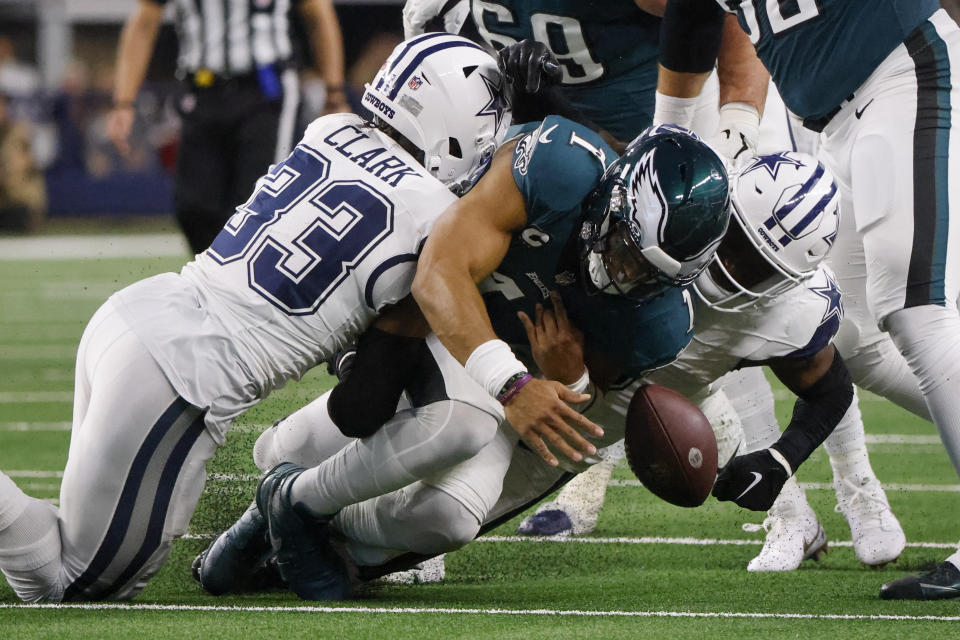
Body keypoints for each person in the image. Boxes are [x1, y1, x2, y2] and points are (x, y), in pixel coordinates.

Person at [0, 35, 531, 603]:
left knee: (74, 546)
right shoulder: (439, 225)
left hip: (137, 315)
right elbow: (361, 409)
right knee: (78, 585)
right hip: (181, 376)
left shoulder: (331, 129)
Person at [195, 122, 733, 600]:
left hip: (506, 373)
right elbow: (439, 271)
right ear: (615, 198)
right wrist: (513, 385)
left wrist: (571, 377)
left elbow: (579, 408)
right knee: (458, 422)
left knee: (451, 518)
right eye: (624, 246)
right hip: (421, 314)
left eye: (645, 273)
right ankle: (295, 500)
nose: (620, 271)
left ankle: (297, 514)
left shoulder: (660, 324)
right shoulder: (559, 168)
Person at [656, 0, 960, 600]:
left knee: (915, 307)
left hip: (905, 72)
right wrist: (666, 129)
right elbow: (690, 15)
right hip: (838, 121)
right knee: (847, 333)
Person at [519, 151, 908, 572]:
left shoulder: (793, 306)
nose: (730, 267)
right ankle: (794, 517)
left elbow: (830, 387)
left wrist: (781, 459)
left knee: (531, 460)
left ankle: (832, 505)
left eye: (757, 268)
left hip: (681, 367)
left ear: (788, 282)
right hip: (611, 323)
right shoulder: (685, 197)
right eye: (733, 240)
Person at [107, 0, 347, 254]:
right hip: (202, 89)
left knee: (259, 202)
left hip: (265, 91)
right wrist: (123, 101)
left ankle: (250, 283)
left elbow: (317, 15)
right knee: (193, 206)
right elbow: (144, 21)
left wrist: (334, 93)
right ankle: (218, 278)